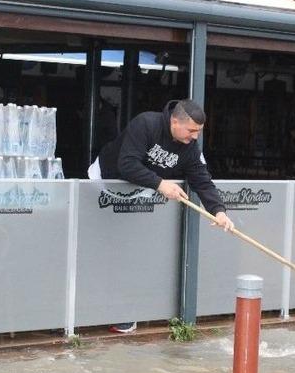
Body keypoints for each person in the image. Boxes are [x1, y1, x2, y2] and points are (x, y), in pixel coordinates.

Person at [89, 99, 234, 333]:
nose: (195, 137)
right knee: (103, 247)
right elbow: (126, 164)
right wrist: (160, 184)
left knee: (133, 249)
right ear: (174, 121)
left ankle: (127, 311)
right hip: (105, 185)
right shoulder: (146, 124)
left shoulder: (189, 147)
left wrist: (218, 210)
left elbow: (201, 179)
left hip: (141, 193)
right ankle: (90, 308)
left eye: (199, 132)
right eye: (192, 130)